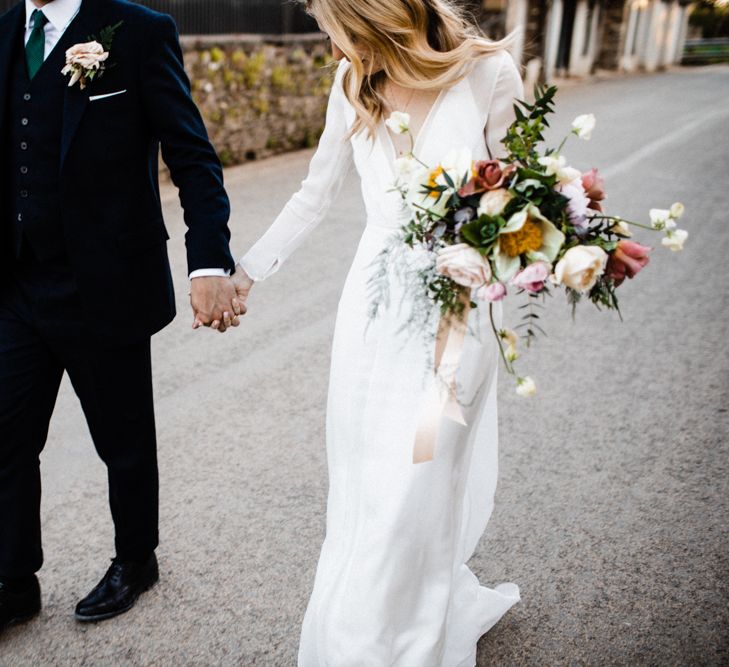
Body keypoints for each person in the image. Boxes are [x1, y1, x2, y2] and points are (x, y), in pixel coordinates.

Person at [230, 0, 523, 664]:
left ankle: (410, 637)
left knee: (420, 471)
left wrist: (486, 243)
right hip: (372, 315)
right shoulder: (349, 85)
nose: (327, 43)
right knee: (368, 479)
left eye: (330, 26)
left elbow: (516, 190)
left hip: (458, 314)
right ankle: (361, 630)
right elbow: (315, 193)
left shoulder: (489, 74)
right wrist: (247, 271)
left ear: (367, 18)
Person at [0, 0, 242, 631]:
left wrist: (209, 263)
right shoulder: (2, 33)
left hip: (104, 281)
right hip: (17, 286)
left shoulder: (138, 31)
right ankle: (13, 579)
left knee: (124, 442)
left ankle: (136, 559)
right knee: (6, 439)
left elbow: (191, 153)